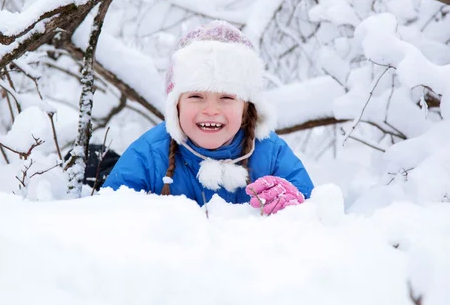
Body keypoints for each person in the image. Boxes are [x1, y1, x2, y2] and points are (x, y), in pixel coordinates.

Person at [102, 20, 314, 215]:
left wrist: (295, 208)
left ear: (246, 107)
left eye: (226, 97)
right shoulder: (148, 155)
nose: (211, 110)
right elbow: (109, 215)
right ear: (176, 105)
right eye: (196, 96)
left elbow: (315, 217)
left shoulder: (272, 154)